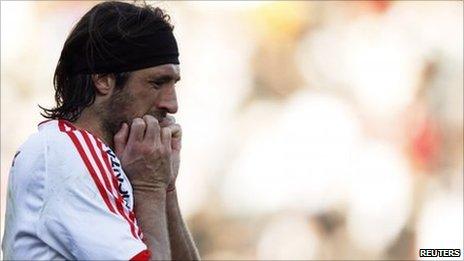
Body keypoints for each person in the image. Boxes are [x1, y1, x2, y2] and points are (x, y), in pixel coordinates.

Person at [2, 1, 200, 260]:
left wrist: (166, 187)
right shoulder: (63, 153)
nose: (172, 104)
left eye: (174, 83)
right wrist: (150, 187)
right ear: (103, 79)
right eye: (157, 82)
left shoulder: (115, 160)